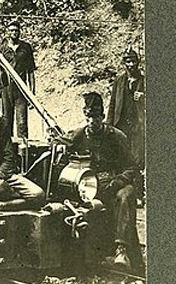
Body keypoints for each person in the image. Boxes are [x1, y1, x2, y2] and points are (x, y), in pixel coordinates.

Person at [56, 92, 140, 269]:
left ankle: (121, 250)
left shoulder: (116, 136)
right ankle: (89, 257)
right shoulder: (80, 135)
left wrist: (117, 181)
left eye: (95, 118)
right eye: (88, 117)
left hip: (115, 182)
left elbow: (132, 167)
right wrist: (57, 143)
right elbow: (60, 141)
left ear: (102, 117)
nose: (92, 122)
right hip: (90, 185)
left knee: (126, 195)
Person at [107, 48, 145, 171]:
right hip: (121, 126)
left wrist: (144, 98)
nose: (131, 65)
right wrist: (108, 125)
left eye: (133, 61)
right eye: (128, 62)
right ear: (124, 64)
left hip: (137, 127)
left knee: (137, 160)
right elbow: (112, 104)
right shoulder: (119, 81)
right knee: (120, 157)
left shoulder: (144, 80)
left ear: (137, 63)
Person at [0, 19, 36, 140]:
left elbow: (30, 71)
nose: (14, 33)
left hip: (21, 89)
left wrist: (32, 92)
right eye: (11, 31)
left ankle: (23, 151)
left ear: (19, 32)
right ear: (7, 33)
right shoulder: (1, 49)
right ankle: (7, 149)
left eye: (16, 30)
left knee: (22, 122)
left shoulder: (26, 48)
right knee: (6, 120)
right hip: (6, 88)